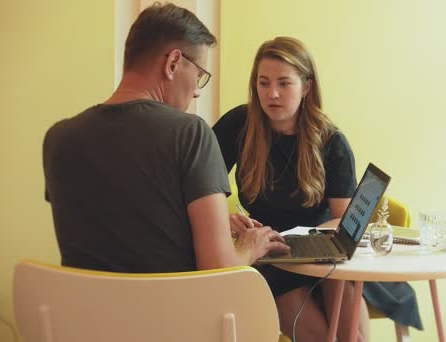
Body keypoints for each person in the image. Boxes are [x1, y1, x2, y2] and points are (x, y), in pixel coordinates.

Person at [42, 2, 289, 274]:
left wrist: (210, 222)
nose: (197, 92)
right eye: (200, 75)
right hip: (173, 315)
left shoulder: (59, 138)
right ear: (173, 63)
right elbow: (219, 270)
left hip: (82, 314)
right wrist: (249, 246)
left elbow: (119, 228)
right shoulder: (191, 134)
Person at [213, 36, 369, 342]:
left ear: (306, 87)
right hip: (270, 253)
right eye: (263, 83)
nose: (272, 94)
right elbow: (201, 190)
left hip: (322, 248)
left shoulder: (331, 141)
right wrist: (222, 218)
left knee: (355, 338)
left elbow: (342, 220)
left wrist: (308, 242)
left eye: (284, 83)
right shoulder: (238, 125)